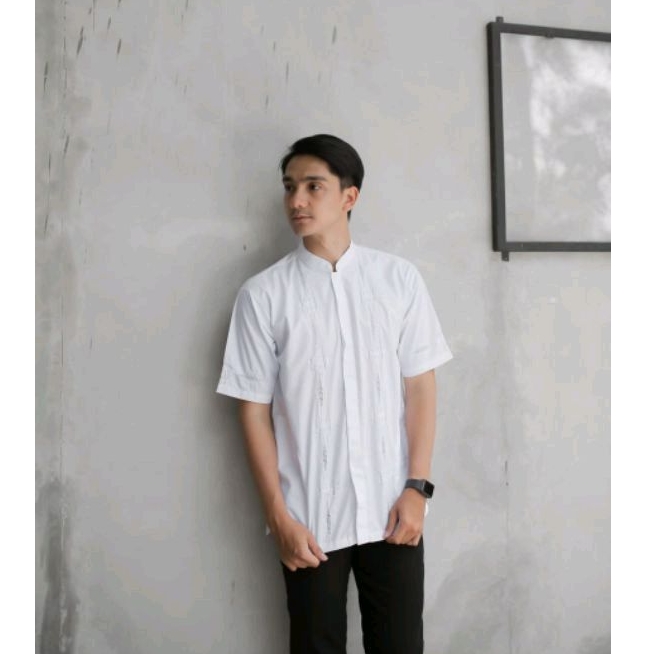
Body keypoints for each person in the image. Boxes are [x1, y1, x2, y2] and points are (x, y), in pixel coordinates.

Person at [217, 134, 452, 654]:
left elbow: (420, 386)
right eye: (289, 187)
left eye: (313, 186)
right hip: (309, 520)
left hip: (393, 511)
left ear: (350, 196)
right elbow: (253, 412)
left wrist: (418, 488)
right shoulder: (263, 295)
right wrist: (279, 518)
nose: (296, 200)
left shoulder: (398, 280)